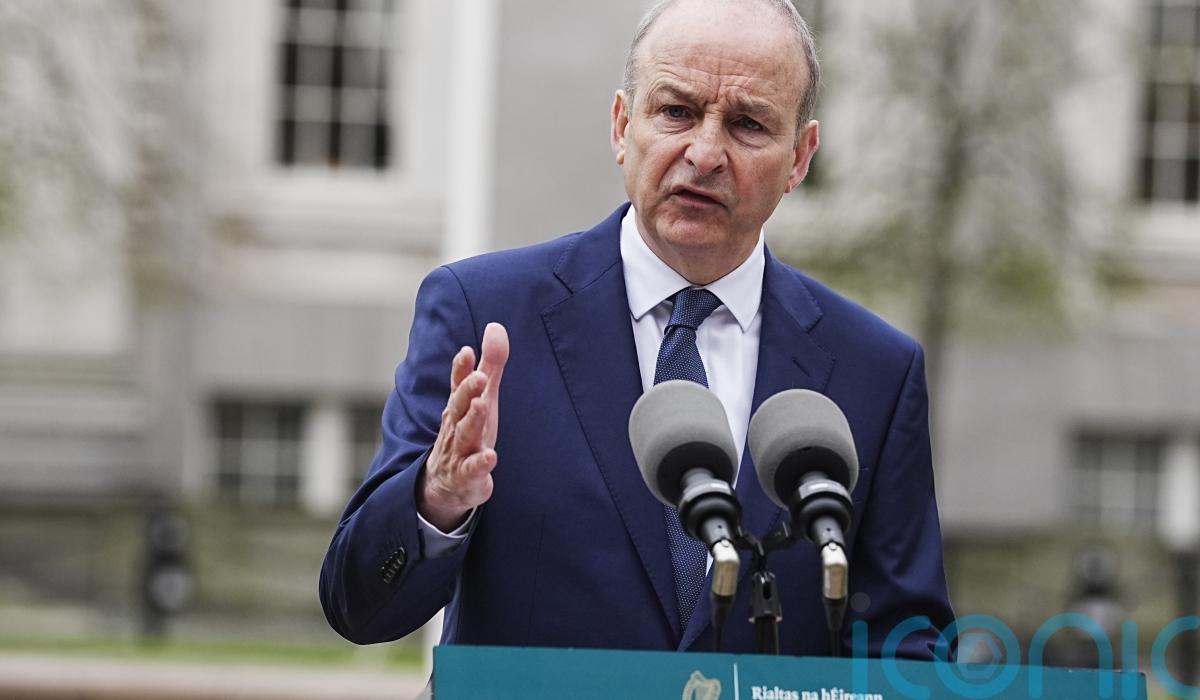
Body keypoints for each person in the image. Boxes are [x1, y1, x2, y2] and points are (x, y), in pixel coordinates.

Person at [320, 0, 953, 657]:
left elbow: (910, 648)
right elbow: (358, 607)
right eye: (676, 111)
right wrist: (437, 498)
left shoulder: (874, 372)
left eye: (747, 124)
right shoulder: (484, 315)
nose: (705, 154)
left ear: (800, 157)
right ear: (623, 126)